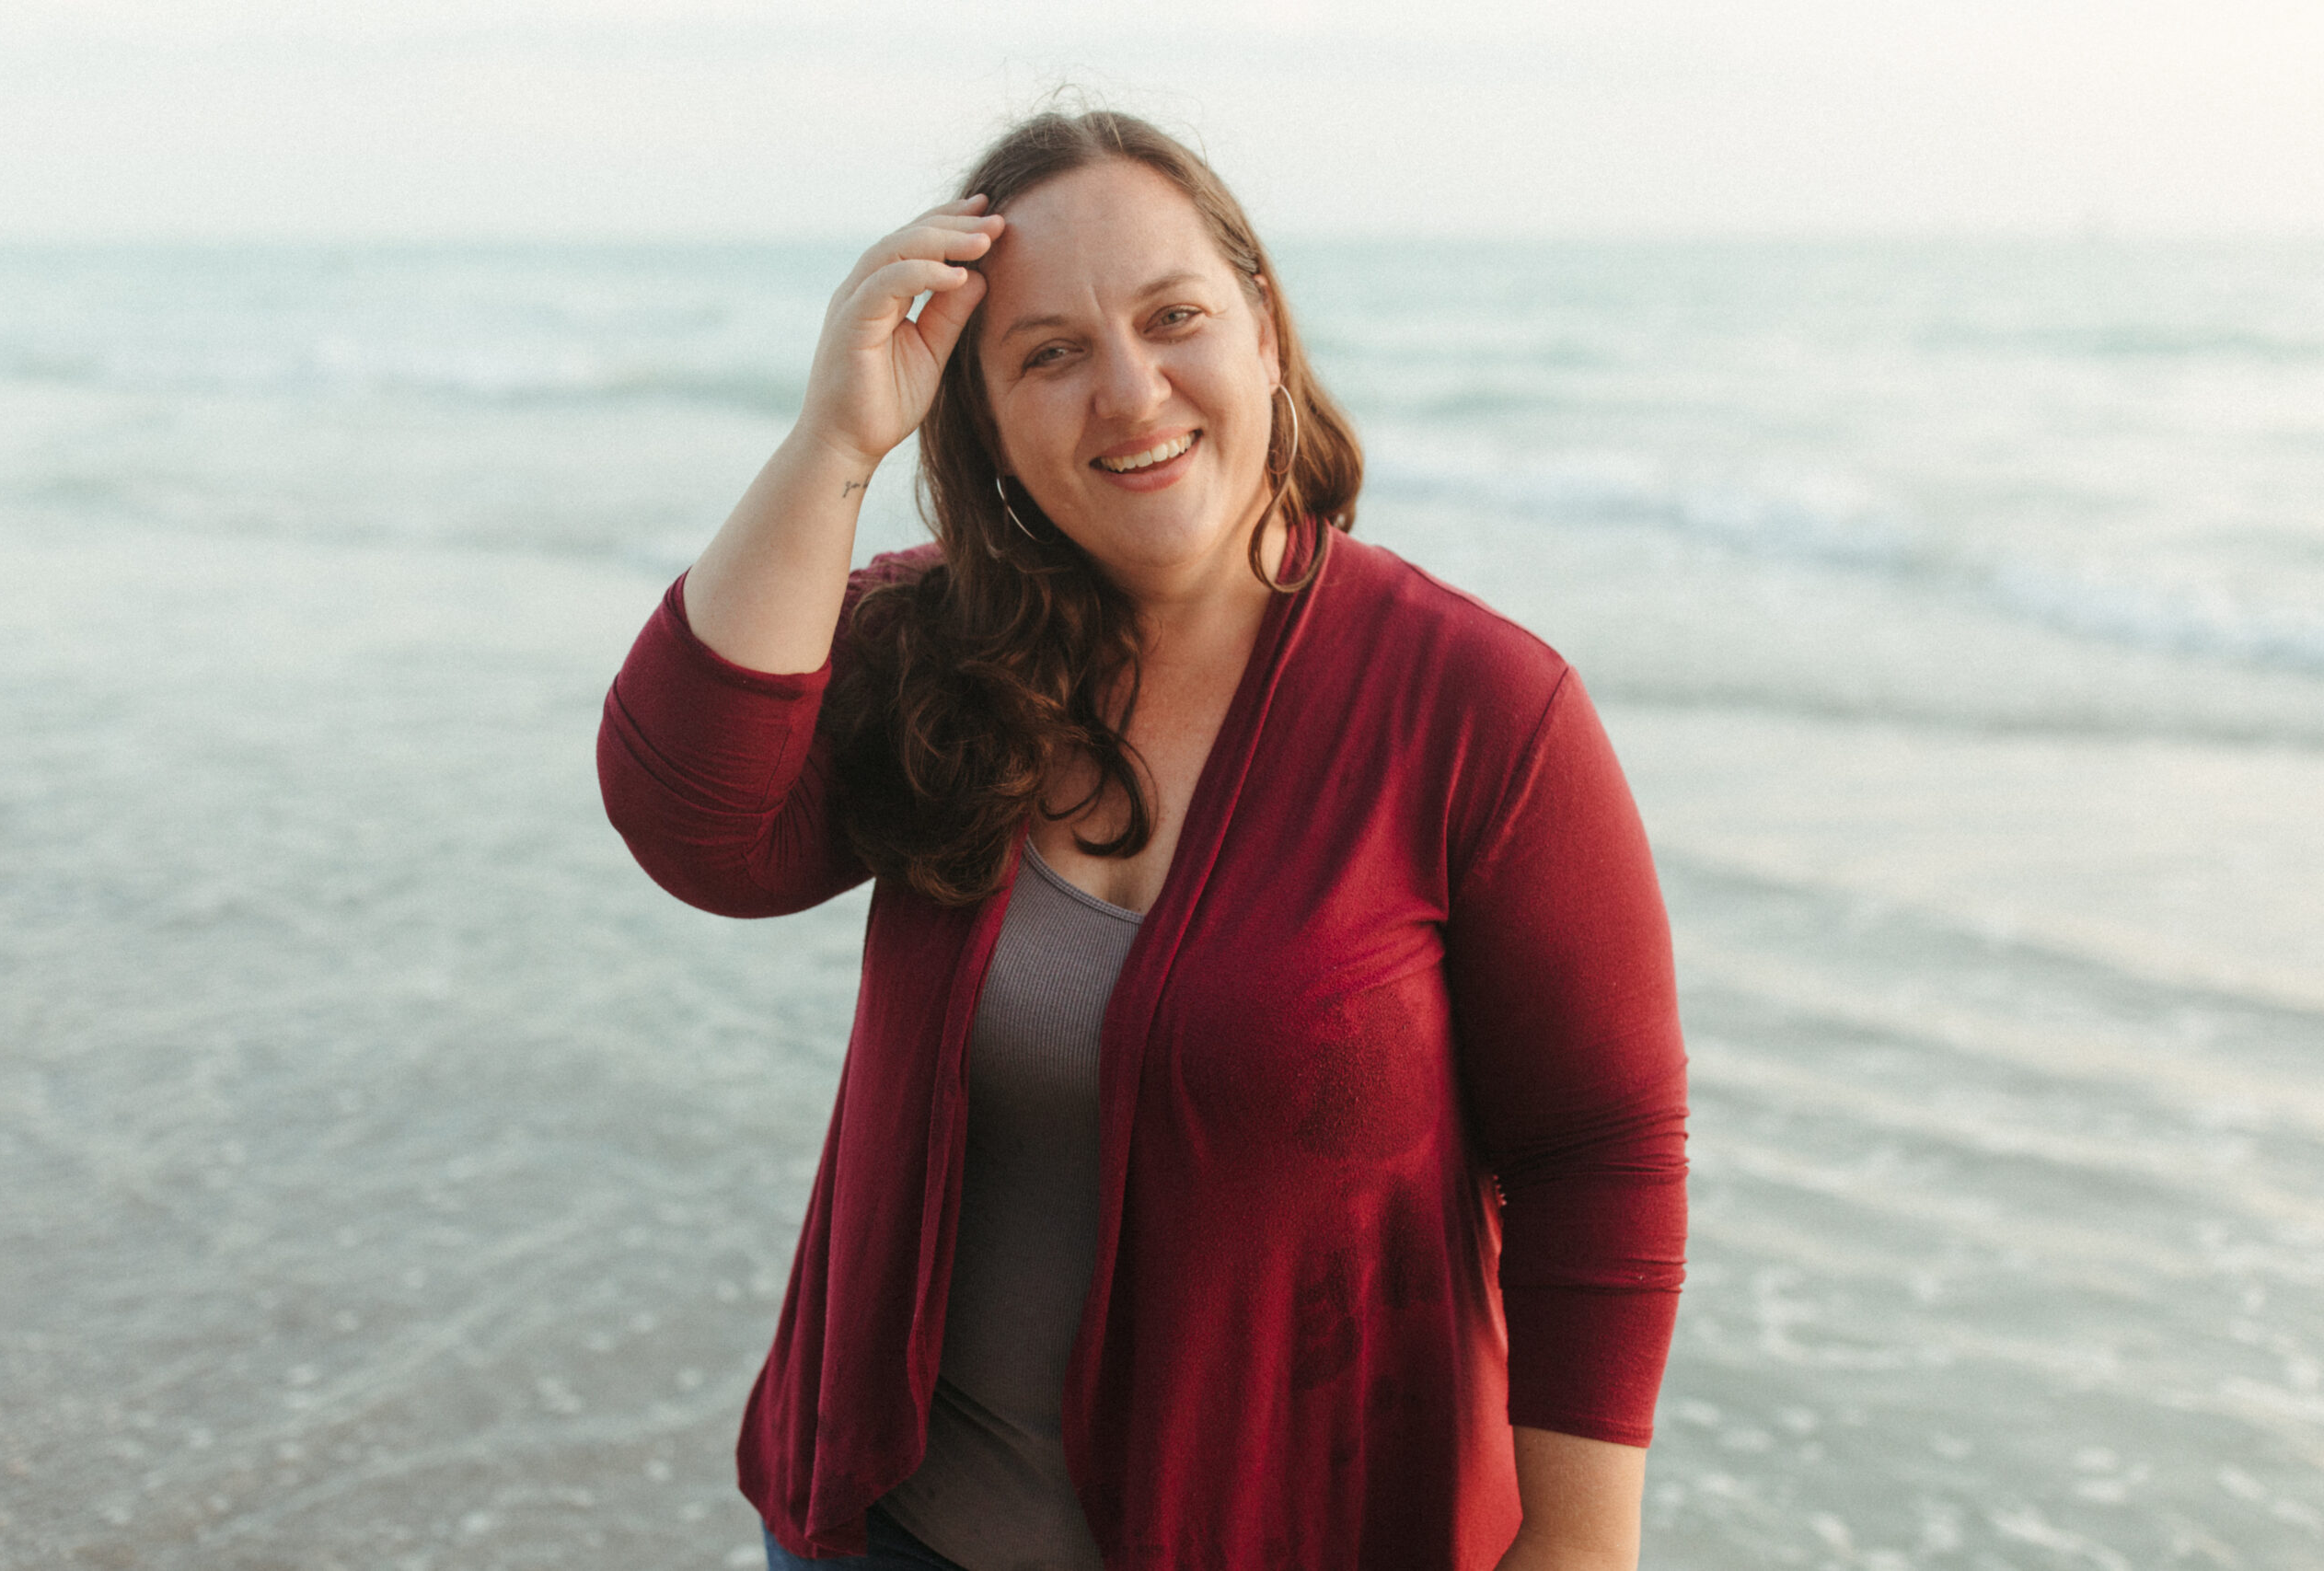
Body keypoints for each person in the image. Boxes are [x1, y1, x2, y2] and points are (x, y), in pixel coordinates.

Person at [597, 109, 1687, 1571]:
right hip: (887, 1532)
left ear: (1265, 334)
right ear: (978, 418)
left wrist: (1576, 1553)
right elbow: (700, 825)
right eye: (1047, 353)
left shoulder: (1483, 710)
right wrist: (833, 441)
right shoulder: (947, 651)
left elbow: (1599, 1154)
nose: (1128, 393)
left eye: (1174, 318)